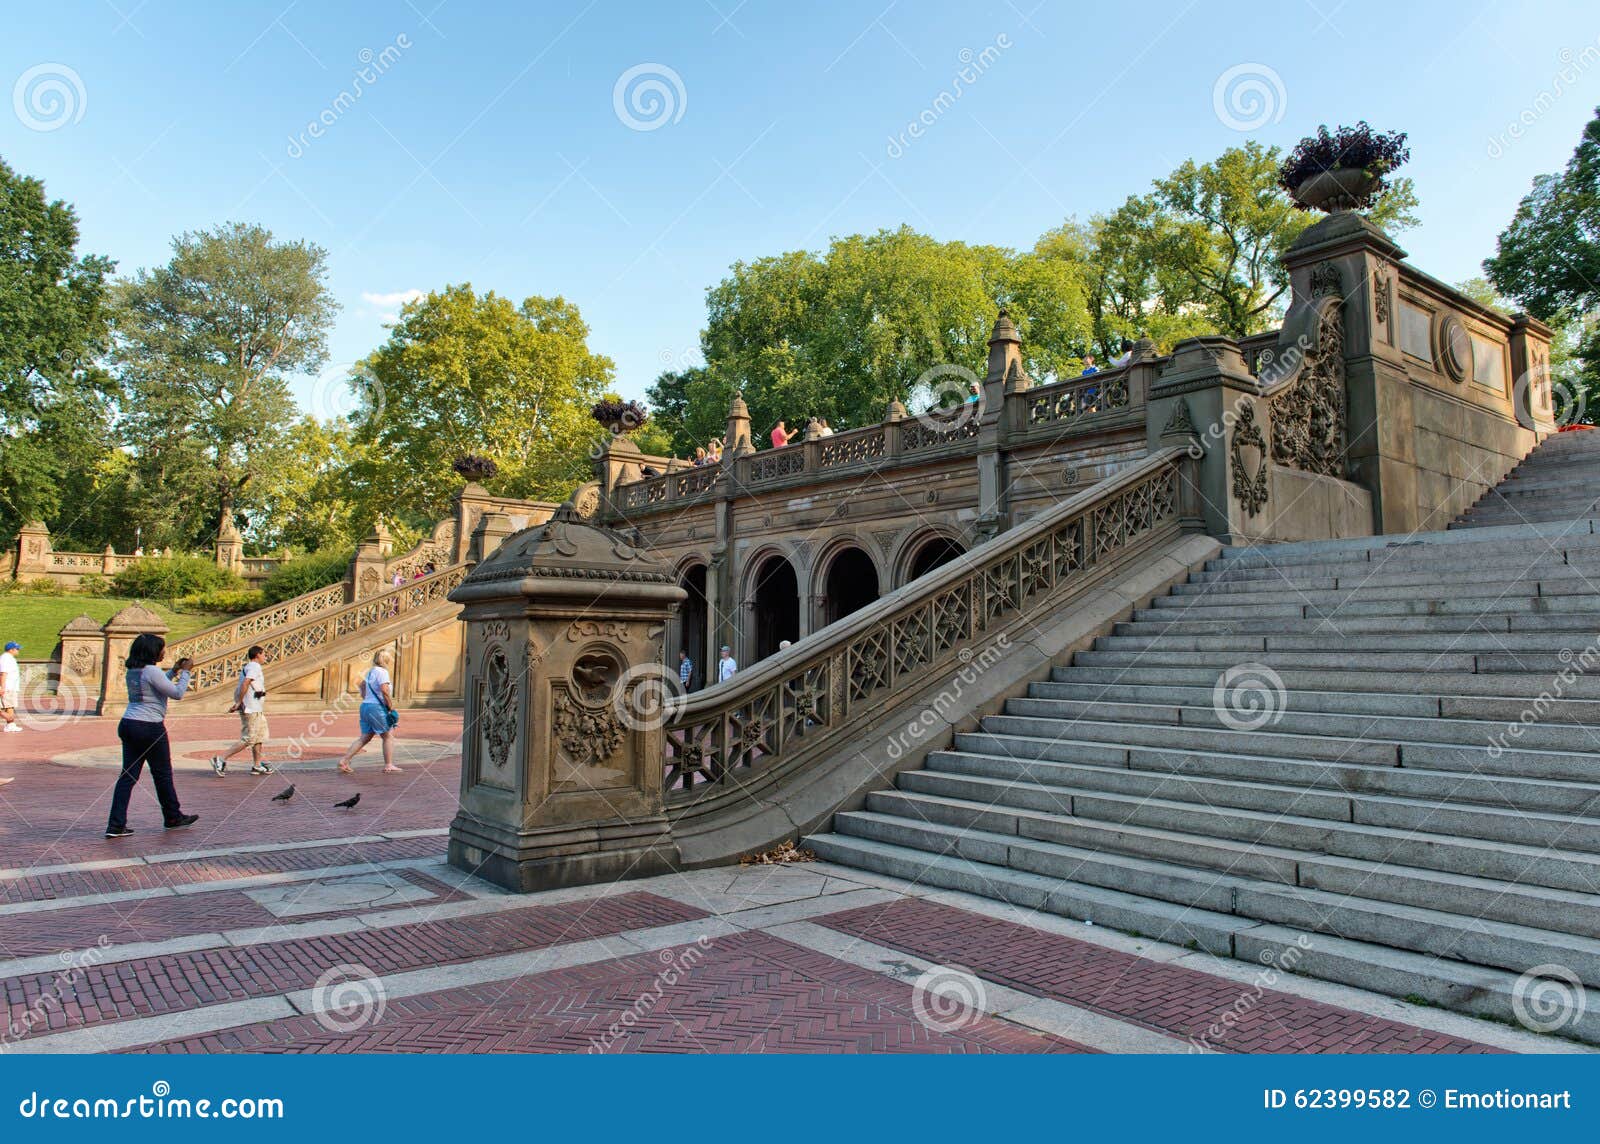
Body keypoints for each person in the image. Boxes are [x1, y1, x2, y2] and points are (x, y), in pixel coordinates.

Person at [105, 634, 199, 839]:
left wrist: (173, 671)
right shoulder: (152, 671)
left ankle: (115, 824)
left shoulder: (134, 671)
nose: (163, 652)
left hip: (129, 723)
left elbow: (156, 687)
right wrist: (185, 673)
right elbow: (176, 693)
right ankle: (173, 817)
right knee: (162, 774)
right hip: (150, 727)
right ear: (152, 651)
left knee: (127, 777)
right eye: (161, 649)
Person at [211, 646, 273, 776]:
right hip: (251, 708)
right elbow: (245, 683)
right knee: (249, 738)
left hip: (256, 708)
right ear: (257, 655)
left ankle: (257, 765)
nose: (265, 657)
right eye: (264, 655)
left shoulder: (252, 666)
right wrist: (239, 702)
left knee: (259, 736)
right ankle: (221, 759)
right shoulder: (254, 667)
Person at [338, 649, 401, 775]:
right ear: (387, 660)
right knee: (388, 736)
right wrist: (389, 705)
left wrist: (366, 698)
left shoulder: (371, 672)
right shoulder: (383, 672)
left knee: (365, 737)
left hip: (365, 706)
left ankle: (345, 760)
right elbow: (384, 690)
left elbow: (361, 686)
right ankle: (388, 765)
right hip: (376, 708)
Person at [0, 641, 20, 733]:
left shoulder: (9, 658)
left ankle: (10, 724)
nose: (18, 650)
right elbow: (3, 673)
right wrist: (3, 687)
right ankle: (10, 724)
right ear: (11, 649)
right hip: (8, 686)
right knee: (9, 705)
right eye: (17, 649)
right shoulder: (6, 658)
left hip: (11, 686)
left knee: (10, 706)